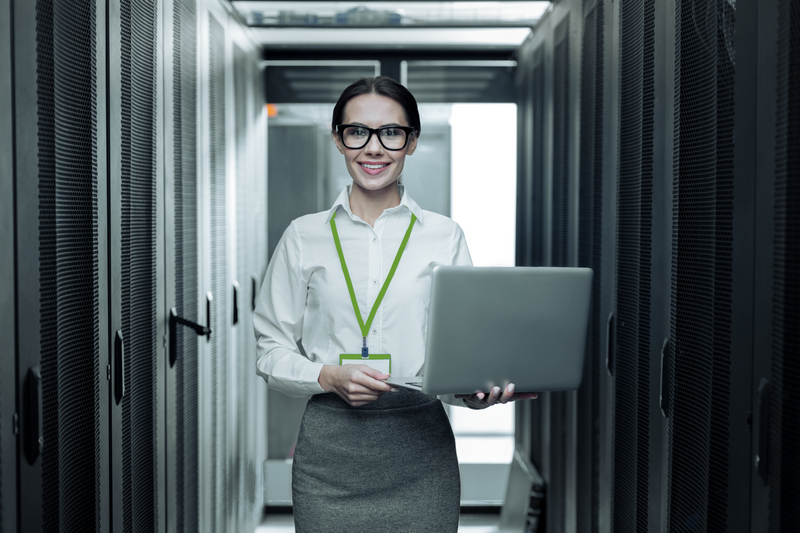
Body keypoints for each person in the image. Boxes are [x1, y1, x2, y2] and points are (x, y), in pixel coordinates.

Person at [254, 76, 536, 533]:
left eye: (391, 132)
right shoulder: (303, 236)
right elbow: (269, 350)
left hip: (422, 451)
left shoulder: (445, 236)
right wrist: (327, 374)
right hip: (329, 452)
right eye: (357, 132)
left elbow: (458, 355)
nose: (373, 148)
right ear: (338, 139)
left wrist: (476, 394)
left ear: (411, 142)